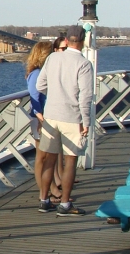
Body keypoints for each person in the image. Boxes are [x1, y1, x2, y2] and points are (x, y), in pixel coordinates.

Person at [35, 25, 94, 216]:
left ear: (66, 41)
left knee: (49, 160)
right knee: (70, 161)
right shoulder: (84, 64)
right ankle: (65, 204)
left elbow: (40, 85)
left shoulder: (53, 58)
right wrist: (86, 122)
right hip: (72, 116)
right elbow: (85, 97)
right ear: (83, 41)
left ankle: (44, 200)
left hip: (51, 115)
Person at [25, 41, 56, 209]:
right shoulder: (36, 74)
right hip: (40, 119)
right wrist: (40, 118)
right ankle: (45, 191)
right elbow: (34, 96)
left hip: (43, 117)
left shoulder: (39, 72)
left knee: (46, 155)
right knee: (42, 156)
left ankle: (48, 189)